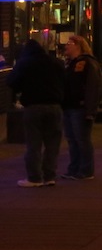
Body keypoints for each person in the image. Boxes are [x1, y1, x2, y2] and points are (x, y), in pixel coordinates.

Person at [6, 39, 64, 187]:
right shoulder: (55, 62)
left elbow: (11, 81)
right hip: (54, 106)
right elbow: (65, 81)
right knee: (52, 144)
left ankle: (35, 177)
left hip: (34, 106)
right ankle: (50, 176)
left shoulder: (25, 63)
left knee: (34, 144)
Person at [61, 35, 102, 180]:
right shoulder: (71, 63)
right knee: (72, 140)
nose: (66, 46)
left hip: (80, 107)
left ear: (78, 45)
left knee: (82, 139)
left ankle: (86, 170)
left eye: (69, 43)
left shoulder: (87, 63)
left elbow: (93, 87)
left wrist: (90, 110)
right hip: (69, 106)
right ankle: (74, 168)